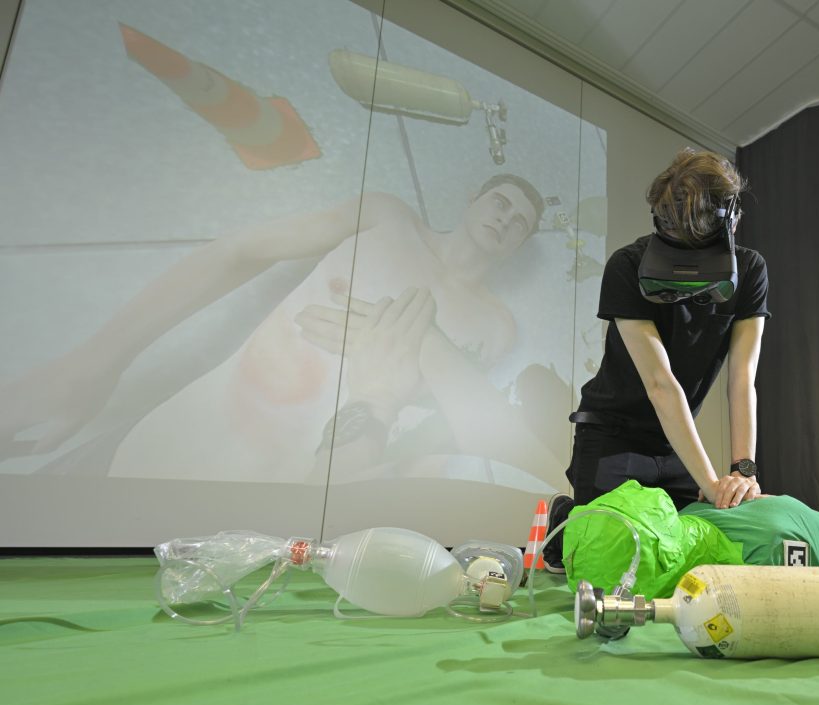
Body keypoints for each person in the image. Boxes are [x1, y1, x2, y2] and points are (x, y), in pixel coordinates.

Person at [0, 175, 563, 487]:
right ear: (472, 197)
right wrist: (95, 360)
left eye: (520, 223)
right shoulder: (387, 215)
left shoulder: (494, 324)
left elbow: (446, 433)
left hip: (288, 496)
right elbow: (241, 251)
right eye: (500, 202)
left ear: (518, 244)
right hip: (170, 439)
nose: (505, 219)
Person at [544, 149, 769, 572]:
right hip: (611, 433)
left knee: (680, 549)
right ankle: (567, 516)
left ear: (730, 218)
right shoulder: (627, 266)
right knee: (608, 552)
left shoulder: (751, 271)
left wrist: (742, 472)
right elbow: (660, 383)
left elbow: (742, 378)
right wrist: (712, 485)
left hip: (673, 444)